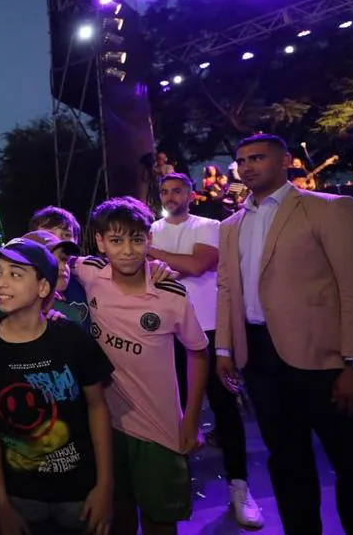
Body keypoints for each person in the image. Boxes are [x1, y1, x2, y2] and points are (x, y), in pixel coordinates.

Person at [215, 133, 353, 535]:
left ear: (284, 162)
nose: (247, 166)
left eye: (257, 158)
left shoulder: (330, 209)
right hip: (260, 359)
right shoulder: (230, 226)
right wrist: (225, 348)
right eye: (241, 160)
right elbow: (227, 289)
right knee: (287, 463)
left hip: (326, 359)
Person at [73, 197, 209, 535]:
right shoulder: (89, 272)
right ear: (101, 242)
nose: (128, 250)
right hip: (106, 427)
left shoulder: (171, 293)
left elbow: (198, 353)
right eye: (116, 240)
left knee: (159, 522)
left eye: (137, 239)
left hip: (158, 429)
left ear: (149, 239)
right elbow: (40, 254)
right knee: (115, 516)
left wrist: (191, 419)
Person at [0, 237, 114, 535]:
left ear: (43, 288)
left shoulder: (70, 338)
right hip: (20, 495)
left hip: (78, 493)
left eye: (15, 274)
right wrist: (0, 504)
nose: (1, 283)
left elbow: (98, 407)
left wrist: (105, 486)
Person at [148, 173, 262, 528]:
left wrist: (149, 250)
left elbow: (198, 264)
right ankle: (178, 489)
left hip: (211, 330)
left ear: (190, 194)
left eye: (177, 190)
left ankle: (239, 486)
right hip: (169, 331)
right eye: (164, 191)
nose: (170, 196)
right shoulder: (151, 227)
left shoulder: (208, 225)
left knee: (225, 409)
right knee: (173, 411)